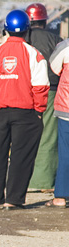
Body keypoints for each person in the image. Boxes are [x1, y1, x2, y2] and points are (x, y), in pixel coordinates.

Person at [0, 9, 49, 210]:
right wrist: (38, 110)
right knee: (21, 156)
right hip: (26, 112)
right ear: (27, 30)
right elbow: (40, 87)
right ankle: (14, 199)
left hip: (0, 112)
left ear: (6, 30)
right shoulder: (34, 54)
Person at [25, 2, 63, 191]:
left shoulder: (23, 39)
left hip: (24, 92)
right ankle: (44, 182)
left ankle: (23, 179)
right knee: (48, 135)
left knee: (23, 135)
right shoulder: (55, 39)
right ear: (45, 20)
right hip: (50, 92)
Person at [46, 35, 69, 207]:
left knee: (65, 152)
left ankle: (60, 196)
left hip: (66, 107)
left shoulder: (66, 46)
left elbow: (54, 66)